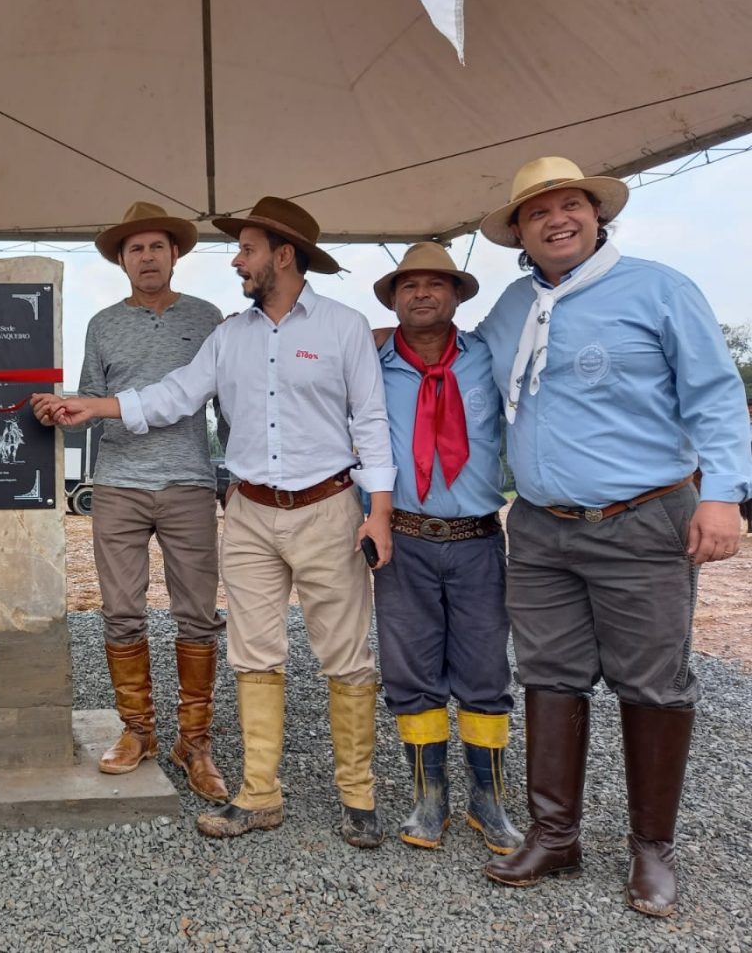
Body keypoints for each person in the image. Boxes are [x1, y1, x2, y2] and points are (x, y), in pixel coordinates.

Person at [54, 197, 395, 847]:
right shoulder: (229, 334)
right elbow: (176, 394)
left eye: (248, 249)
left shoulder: (344, 327)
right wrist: (95, 406)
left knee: (346, 655)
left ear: (283, 255)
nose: (237, 259)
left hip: (327, 506)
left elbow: (371, 422)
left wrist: (379, 510)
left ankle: (359, 797)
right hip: (248, 512)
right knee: (254, 654)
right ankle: (259, 795)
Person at [472, 156, 752, 916]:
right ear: (520, 233)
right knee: (549, 674)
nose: (557, 219)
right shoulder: (511, 306)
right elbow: (459, 360)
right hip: (539, 527)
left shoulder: (661, 289)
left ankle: (652, 852)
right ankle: (556, 834)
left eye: (571, 205)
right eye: (538, 212)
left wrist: (723, 496)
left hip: (644, 517)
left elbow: (716, 396)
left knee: (653, 680)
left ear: (597, 215)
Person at [30, 201, 228, 802]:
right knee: (121, 611)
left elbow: (227, 401)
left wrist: (238, 469)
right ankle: (136, 729)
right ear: (121, 260)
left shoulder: (209, 318)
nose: (147, 257)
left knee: (198, 614)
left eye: (157, 247)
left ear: (175, 255)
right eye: (135, 249)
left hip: (190, 481)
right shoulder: (102, 325)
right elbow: (91, 401)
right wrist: (58, 413)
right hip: (116, 483)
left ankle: (194, 740)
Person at [370, 242, 521, 854]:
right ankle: (428, 798)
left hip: (478, 539)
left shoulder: (489, 356)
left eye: (437, 284)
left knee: (486, 670)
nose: (422, 294)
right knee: (410, 670)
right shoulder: (371, 361)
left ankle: (489, 802)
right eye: (409, 286)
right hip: (402, 538)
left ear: (458, 296)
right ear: (394, 300)